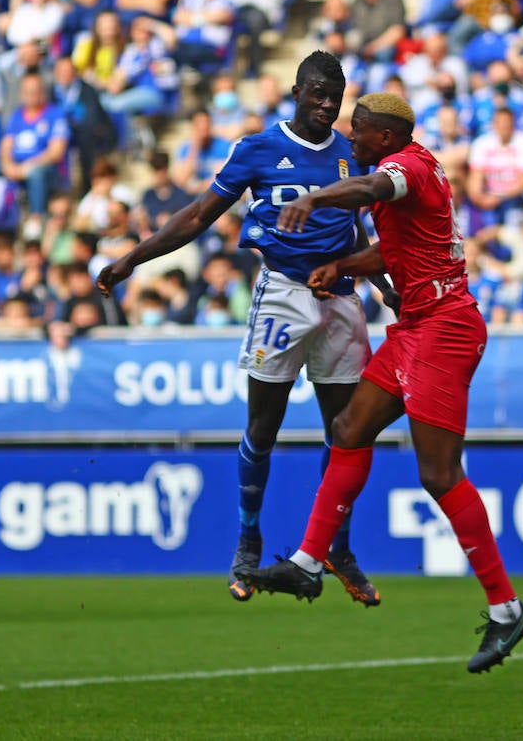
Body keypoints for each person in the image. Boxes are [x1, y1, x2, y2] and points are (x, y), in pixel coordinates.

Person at [239, 92, 523, 674]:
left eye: (360, 131)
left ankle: (507, 609)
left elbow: (374, 190)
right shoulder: (404, 166)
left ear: (384, 135)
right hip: (416, 324)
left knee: (438, 472)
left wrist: (317, 196)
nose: (351, 138)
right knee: (349, 427)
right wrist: (344, 267)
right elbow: (394, 250)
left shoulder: (405, 168)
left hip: (445, 329)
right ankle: (308, 563)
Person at [95, 52, 389, 606]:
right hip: (282, 296)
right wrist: (133, 259)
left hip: (342, 300)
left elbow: (358, 234)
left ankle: (335, 546)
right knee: (263, 428)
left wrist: (386, 287)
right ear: (296, 91)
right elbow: (197, 215)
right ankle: (247, 540)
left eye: (336, 96)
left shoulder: (352, 155)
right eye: (318, 94)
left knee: (348, 434)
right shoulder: (256, 149)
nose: (328, 105)